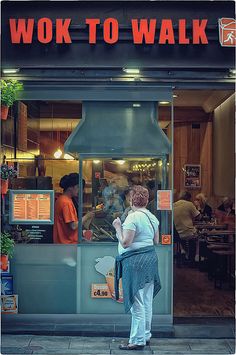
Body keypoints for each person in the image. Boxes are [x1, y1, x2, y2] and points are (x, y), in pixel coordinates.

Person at [112, 185, 161, 350]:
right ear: (146, 200)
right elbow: (156, 241)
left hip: (135, 263)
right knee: (147, 301)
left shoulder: (133, 218)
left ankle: (137, 340)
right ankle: (146, 335)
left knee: (137, 303)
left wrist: (118, 226)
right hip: (150, 260)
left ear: (131, 200)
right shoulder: (153, 218)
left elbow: (125, 243)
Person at [53, 173, 94, 244]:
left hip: (63, 243)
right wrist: (87, 216)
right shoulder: (66, 203)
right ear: (70, 187)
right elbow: (73, 226)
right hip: (67, 245)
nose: (80, 190)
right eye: (78, 187)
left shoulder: (62, 199)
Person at [173, 191, 201, 262]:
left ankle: (183, 250)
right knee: (199, 236)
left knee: (183, 238)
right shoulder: (189, 204)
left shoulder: (173, 205)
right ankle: (196, 257)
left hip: (177, 233)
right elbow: (199, 216)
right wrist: (198, 207)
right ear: (188, 198)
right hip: (189, 233)